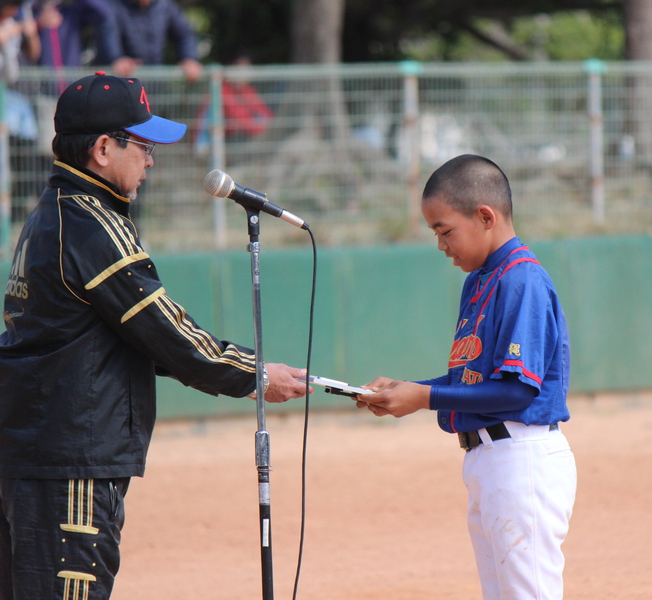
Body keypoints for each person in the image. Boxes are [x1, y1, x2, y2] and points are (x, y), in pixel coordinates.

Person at [0, 72, 310, 600]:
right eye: (142, 146)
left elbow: (138, 334)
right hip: (71, 458)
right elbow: (168, 332)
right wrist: (253, 373)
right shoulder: (92, 224)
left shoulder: (53, 215)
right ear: (102, 148)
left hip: (38, 450)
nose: (150, 159)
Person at [356, 154, 577, 600]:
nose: (441, 245)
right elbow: (473, 379)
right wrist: (410, 389)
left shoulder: (522, 280)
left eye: (444, 230)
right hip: (490, 461)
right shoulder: (480, 281)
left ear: (485, 216)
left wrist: (425, 397)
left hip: (522, 456)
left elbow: (517, 388)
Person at [103, 0, 202, 82]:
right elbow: (108, 34)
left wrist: (189, 58)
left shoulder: (165, 6)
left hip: (154, 83)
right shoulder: (114, 5)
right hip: (122, 82)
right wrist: (116, 59)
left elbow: (184, 34)